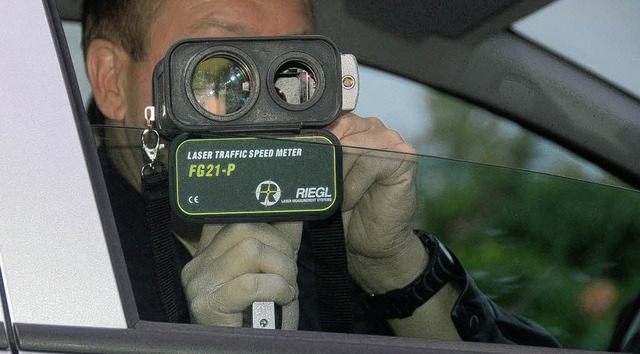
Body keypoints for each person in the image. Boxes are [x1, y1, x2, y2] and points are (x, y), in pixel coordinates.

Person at [81, 0, 559, 346]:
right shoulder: (39, 260)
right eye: (221, 70)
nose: (269, 104)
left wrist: (390, 266)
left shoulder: (322, 236)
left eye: (293, 71)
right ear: (111, 80)